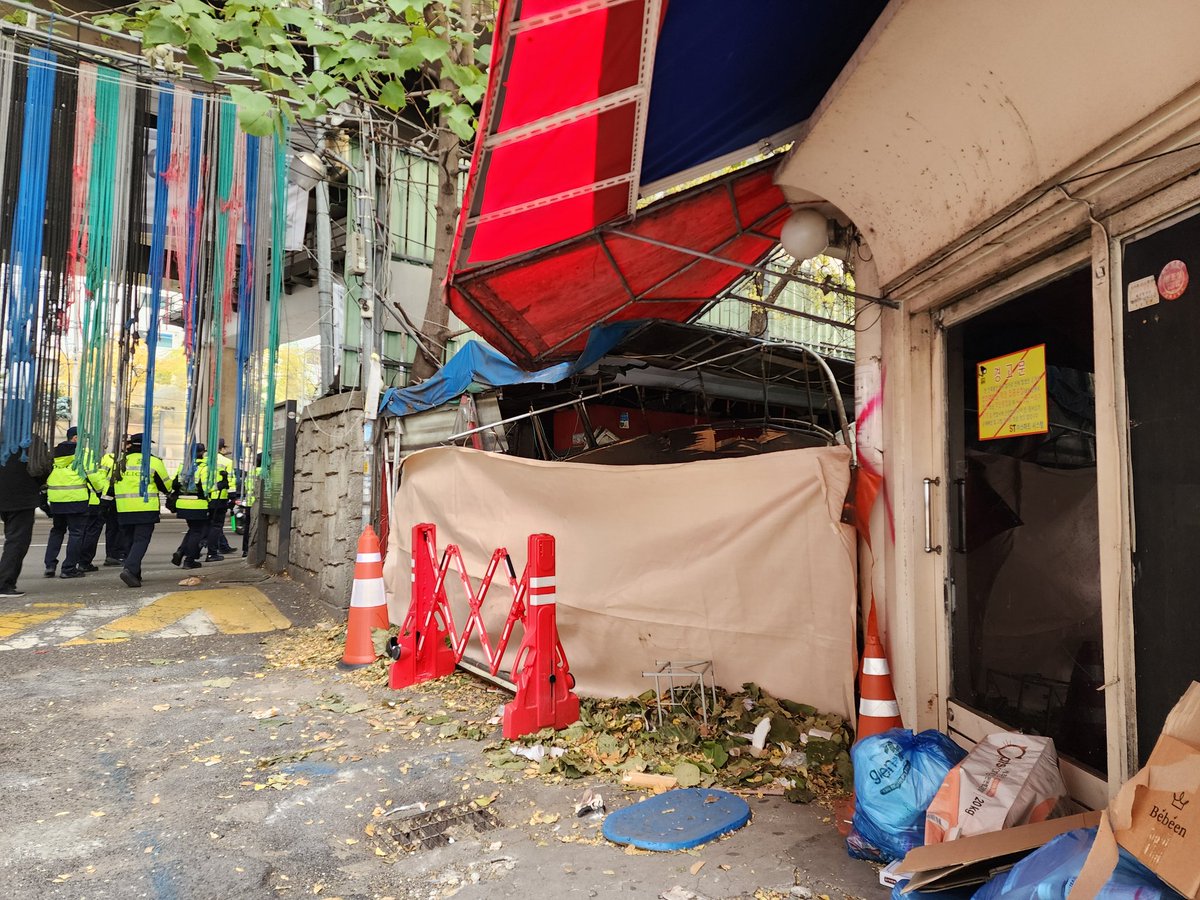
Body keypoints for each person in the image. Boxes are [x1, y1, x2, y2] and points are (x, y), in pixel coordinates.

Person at [111, 433, 171, 588]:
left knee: (129, 540)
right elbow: (166, 486)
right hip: (145, 508)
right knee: (141, 540)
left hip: (123, 508)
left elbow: (110, 485)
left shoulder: (119, 461)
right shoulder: (154, 462)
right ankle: (130, 570)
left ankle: (135, 572)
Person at [43, 426, 103, 578]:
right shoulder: (83, 454)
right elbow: (93, 476)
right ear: (75, 438)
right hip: (76, 499)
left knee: (57, 531)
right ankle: (68, 568)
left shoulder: (54, 453)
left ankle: (50, 565)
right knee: (76, 534)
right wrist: (99, 490)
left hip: (56, 498)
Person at [0, 437, 51, 598]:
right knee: (17, 541)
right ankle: (4, 584)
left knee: (13, 538)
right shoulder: (33, 441)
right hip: (22, 497)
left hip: (4, 495)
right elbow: (43, 468)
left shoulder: (4, 437)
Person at [171, 443, 210, 570]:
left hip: (182, 503)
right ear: (202, 453)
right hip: (198, 504)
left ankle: (181, 551)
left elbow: (175, 484)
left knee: (193, 529)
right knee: (198, 532)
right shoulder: (204, 467)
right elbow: (207, 488)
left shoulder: (184, 466)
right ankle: (189, 560)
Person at [99, 439, 129, 566]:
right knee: (117, 527)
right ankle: (115, 554)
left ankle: (113, 554)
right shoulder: (113, 458)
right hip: (114, 498)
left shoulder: (109, 457)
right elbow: (101, 477)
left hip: (114, 497)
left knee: (115, 528)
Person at [207, 437, 237, 558]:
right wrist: (232, 498)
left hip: (206, 497)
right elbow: (231, 481)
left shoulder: (205, 460)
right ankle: (213, 550)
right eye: (224, 447)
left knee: (210, 524)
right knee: (217, 525)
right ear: (220, 448)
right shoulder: (227, 462)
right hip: (220, 497)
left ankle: (223, 545)